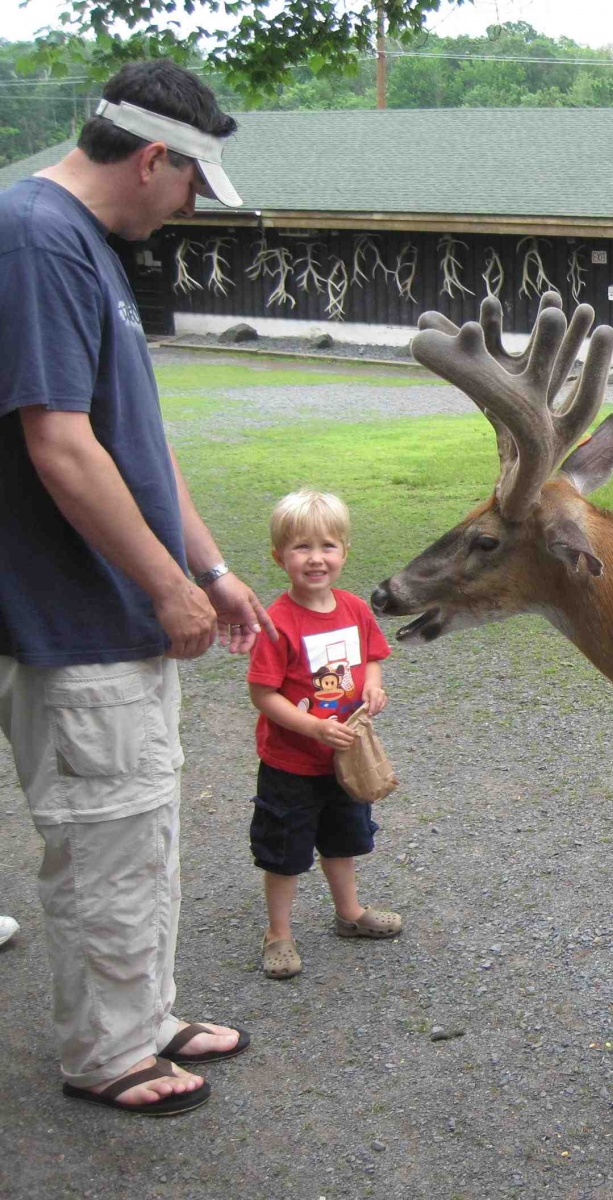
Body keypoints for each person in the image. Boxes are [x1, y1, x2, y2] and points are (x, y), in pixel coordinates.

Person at [0, 58, 268, 1115]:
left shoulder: (87, 248)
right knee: (106, 837)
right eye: (193, 181)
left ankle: (143, 1015)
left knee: (141, 823)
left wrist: (211, 568)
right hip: (78, 619)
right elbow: (61, 447)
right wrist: (164, 587)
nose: (193, 203)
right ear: (153, 157)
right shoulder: (37, 240)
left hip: (119, 617)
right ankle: (107, 1054)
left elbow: (134, 443)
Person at [248, 490, 401, 981]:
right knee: (285, 850)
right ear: (279, 557)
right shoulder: (278, 622)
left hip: (347, 759)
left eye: (328, 546)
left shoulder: (354, 609)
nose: (316, 558)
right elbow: (263, 695)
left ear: (344, 552)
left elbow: (373, 656)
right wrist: (313, 726)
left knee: (343, 839)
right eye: (301, 548)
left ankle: (350, 914)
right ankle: (278, 933)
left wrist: (373, 686)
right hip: (291, 763)